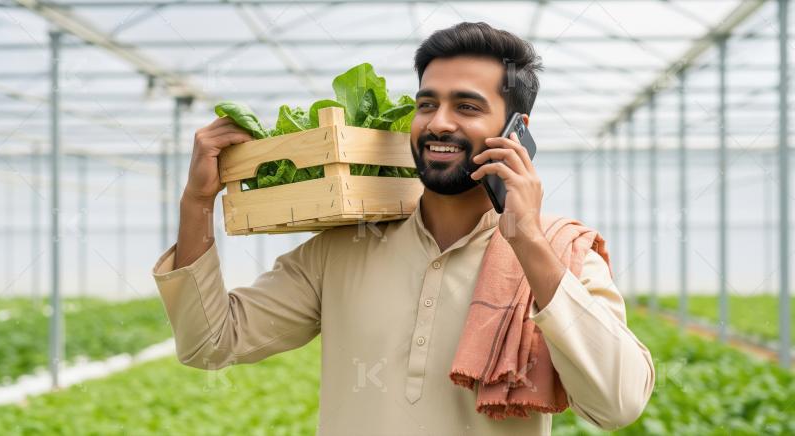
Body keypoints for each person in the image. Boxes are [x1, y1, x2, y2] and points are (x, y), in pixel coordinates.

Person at [152, 21, 655, 435]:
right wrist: (197, 202)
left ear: (516, 131)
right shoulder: (342, 247)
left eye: (467, 106)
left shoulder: (560, 254)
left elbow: (618, 405)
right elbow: (210, 343)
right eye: (427, 103)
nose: (438, 122)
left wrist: (527, 242)